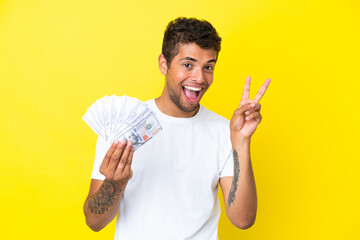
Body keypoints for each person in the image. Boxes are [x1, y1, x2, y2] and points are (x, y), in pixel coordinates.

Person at [83, 17, 271, 239]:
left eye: (208, 67)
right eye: (188, 65)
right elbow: (94, 222)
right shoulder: (122, 125)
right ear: (164, 64)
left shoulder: (225, 131)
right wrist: (115, 183)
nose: (200, 78)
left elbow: (243, 220)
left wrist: (241, 142)